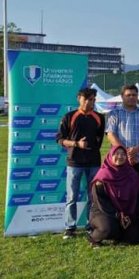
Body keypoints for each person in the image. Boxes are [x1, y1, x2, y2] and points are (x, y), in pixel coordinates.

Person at [56, 87, 106, 239]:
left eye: (92, 100)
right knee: (72, 196)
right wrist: (76, 144)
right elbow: (59, 139)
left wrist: (90, 149)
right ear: (79, 99)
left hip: (93, 162)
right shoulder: (69, 116)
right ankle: (70, 227)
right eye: (86, 99)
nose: (89, 103)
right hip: (74, 162)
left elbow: (99, 139)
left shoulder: (99, 117)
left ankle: (90, 224)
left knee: (93, 196)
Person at [87, 146, 139, 248]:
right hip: (102, 212)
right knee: (107, 229)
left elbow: (136, 196)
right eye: (116, 154)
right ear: (110, 156)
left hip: (126, 211)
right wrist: (118, 215)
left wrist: (130, 214)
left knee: (134, 238)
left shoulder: (132, 174)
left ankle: (118, 235)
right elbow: (101, 202)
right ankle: (93, 238)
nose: (120, 157)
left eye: (123, 154)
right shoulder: (102, 176)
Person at [106, 84, 139, 178]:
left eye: (134, 95)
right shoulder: (114, 113)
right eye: (128, 95)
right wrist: (126, 152)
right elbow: (110, 134)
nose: (131, 97)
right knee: (121, 190)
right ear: (122, 96)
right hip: (119, 159)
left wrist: (137, 149)